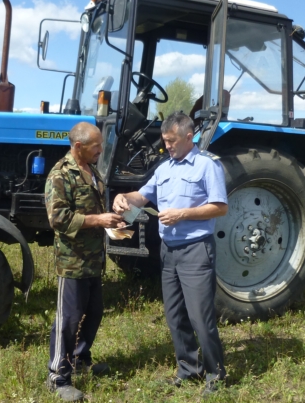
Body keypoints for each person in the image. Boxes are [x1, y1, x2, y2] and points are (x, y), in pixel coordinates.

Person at [112, 112, 228, 396]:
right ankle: (189, 369)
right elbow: (144, 196)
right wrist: (125, 198)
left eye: (172, 141)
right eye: (165, 141)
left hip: (196, 250)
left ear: (189, 137)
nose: (167, 146)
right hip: (169, 251)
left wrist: (183, 214)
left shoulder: (206, 166)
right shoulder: (164, 168)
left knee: (200, 317)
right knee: (174, 315)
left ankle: (217, 375)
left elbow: (220, 207)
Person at [45, 122, 125, 402]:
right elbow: (58, 219)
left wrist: (112, 215)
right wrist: (98, 220)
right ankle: (58, 376)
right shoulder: (60, 175)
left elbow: (95, 207)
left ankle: (80, 360)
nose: (101, 150)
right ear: (78, 146)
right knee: (68, 320)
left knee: (94, 313)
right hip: (73, 261)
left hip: (94, 259)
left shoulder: (92, 169)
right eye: (96, 146)